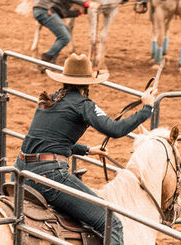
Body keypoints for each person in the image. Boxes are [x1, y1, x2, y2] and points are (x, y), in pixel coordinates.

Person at [15, 52, 156, 245]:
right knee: (112, 222)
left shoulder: (51, 99)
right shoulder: (82, 104)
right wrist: (146, 108)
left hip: (20, 171)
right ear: (88, 83)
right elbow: (114, 129)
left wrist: (87, 150)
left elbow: (49, 141)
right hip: (49, 176)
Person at [33, 0, 100, 66]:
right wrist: (87, 3)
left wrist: (79, 13)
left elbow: (63, 13)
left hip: (43, 9)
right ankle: (46, 59)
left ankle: (50, 59)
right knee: (64, 37)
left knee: (65, 34)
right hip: (45, 10)